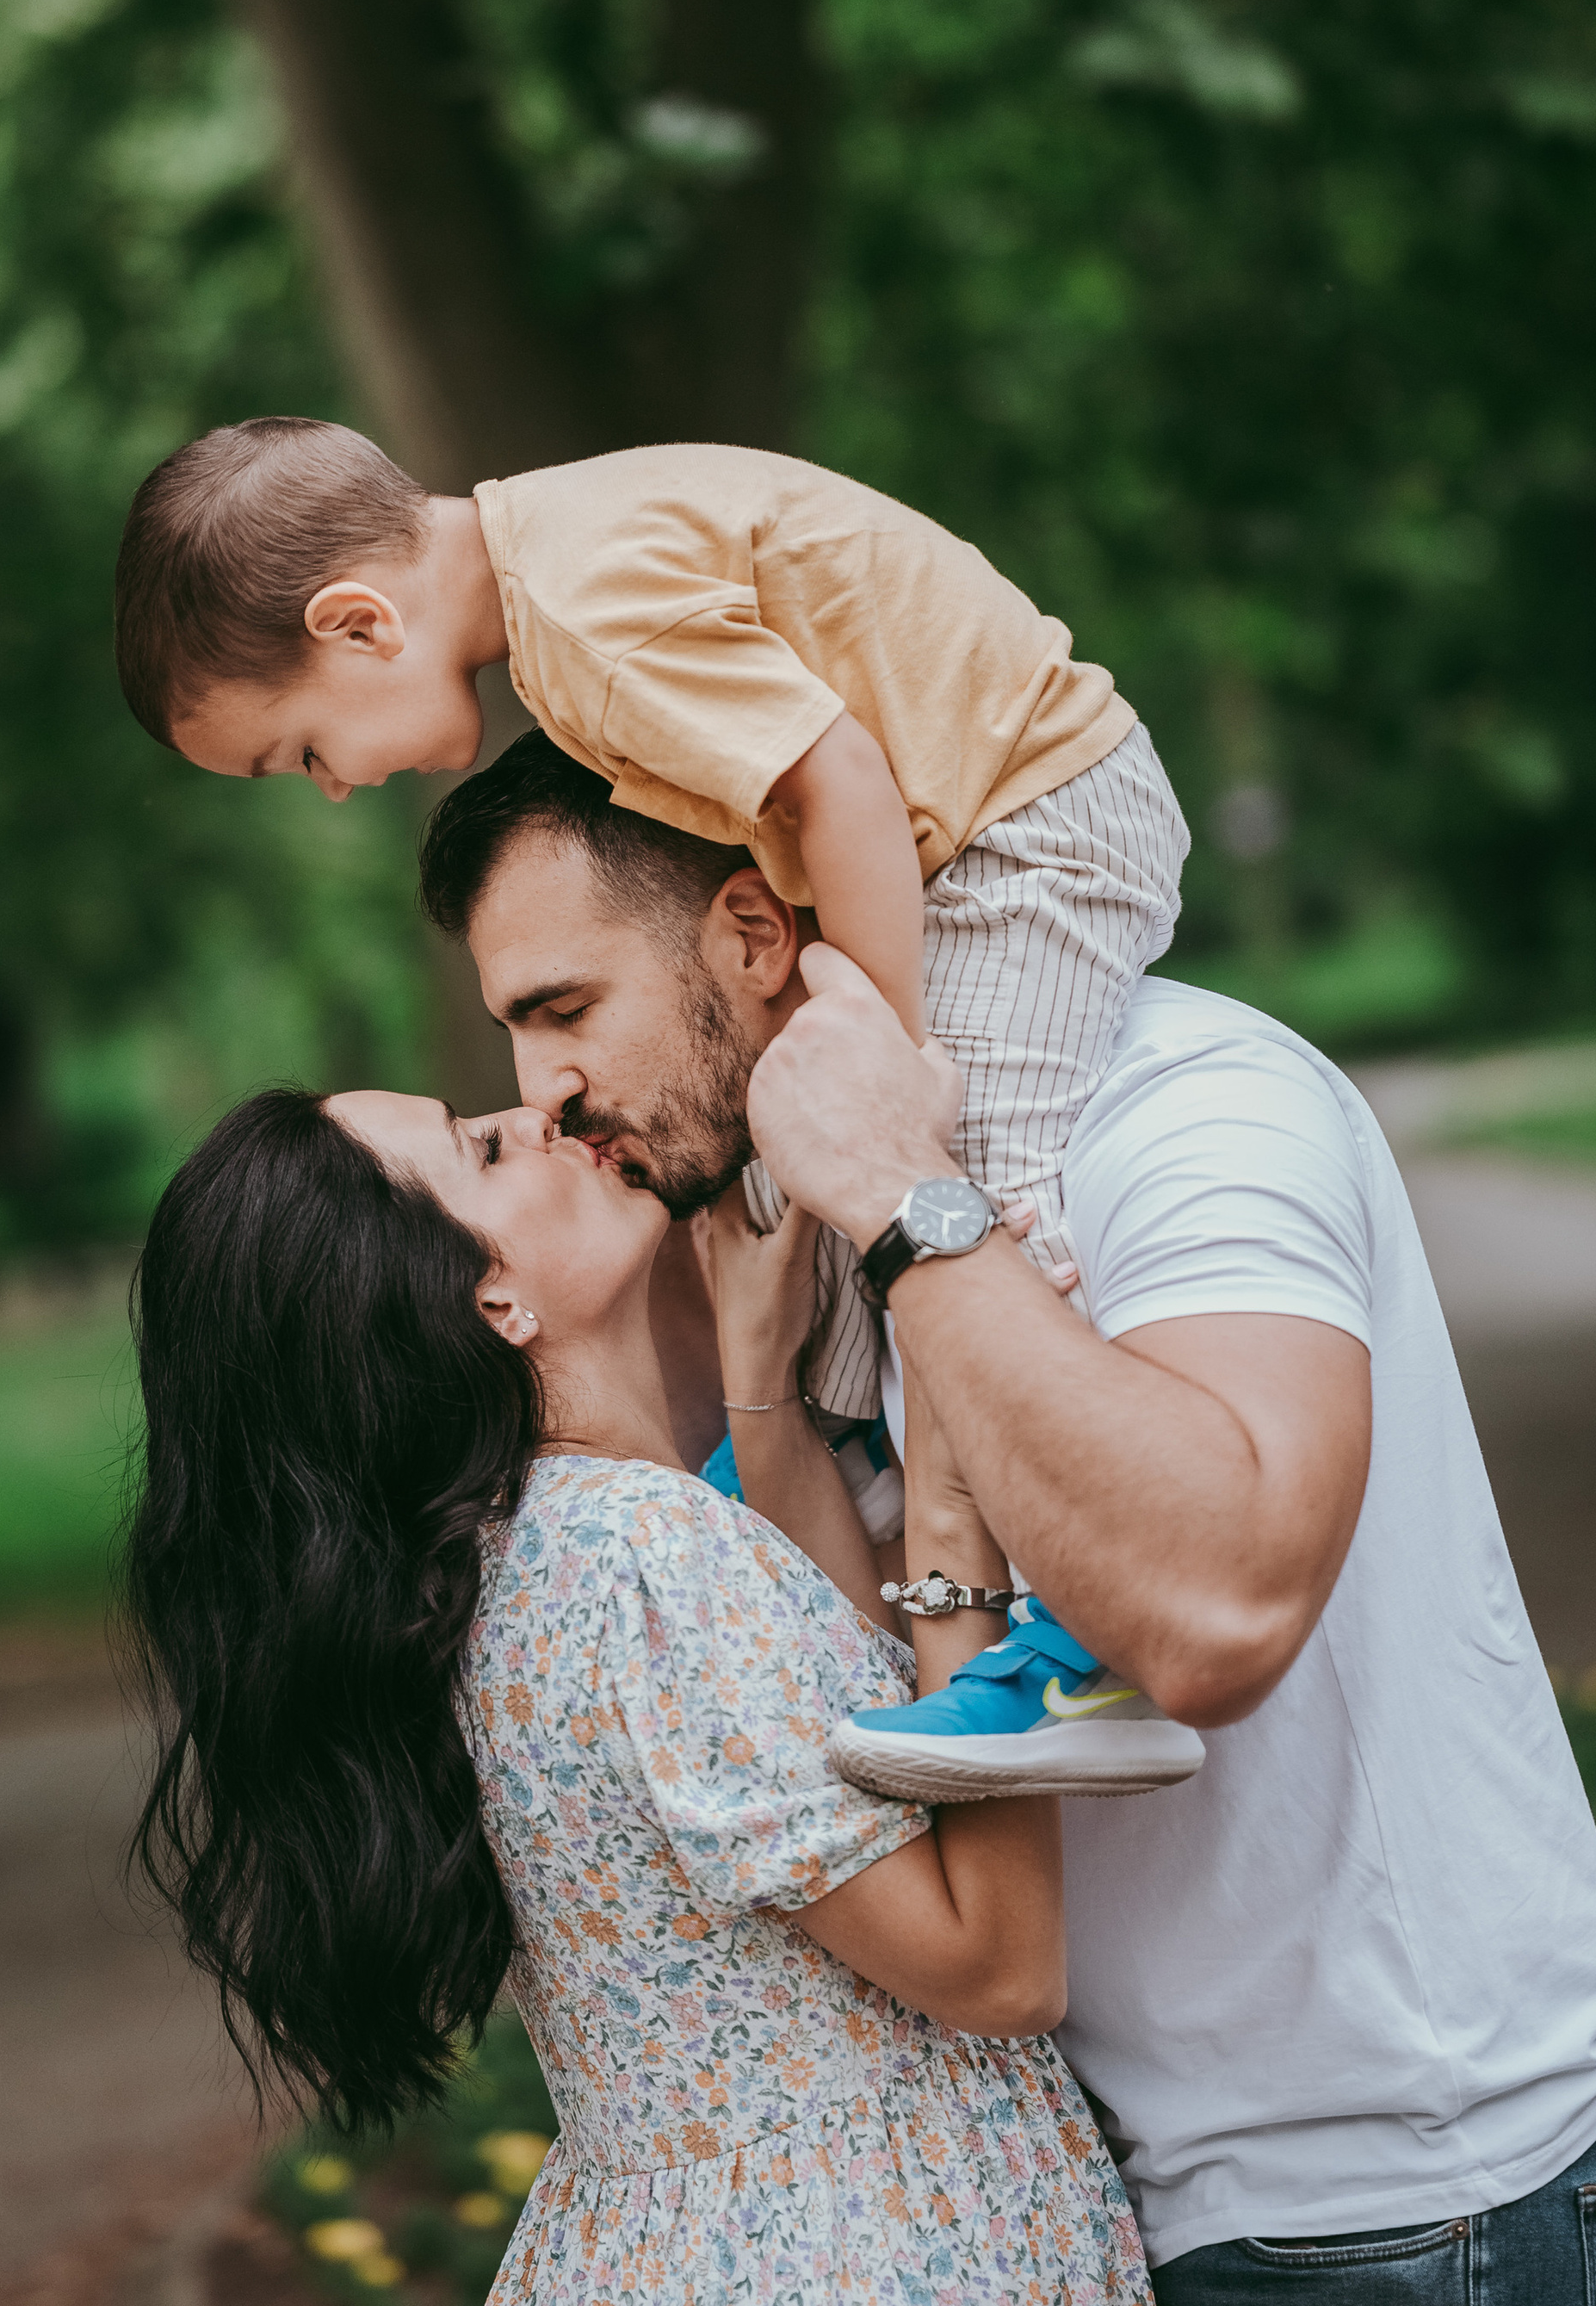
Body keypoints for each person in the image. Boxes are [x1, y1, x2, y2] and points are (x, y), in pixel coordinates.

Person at [416, 735, 1596, 2306]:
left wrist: (909, 1221)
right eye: (508, 1044)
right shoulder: (817, 1229)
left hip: (1376, 2186)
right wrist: (769, 1391)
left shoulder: (1186, 1108)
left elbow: (1213, 1617)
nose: (543, 1090)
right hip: (1113, 2192)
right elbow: (890, 1689)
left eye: (562, 1008)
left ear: (750, 933)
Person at [114, 413, 1201, 1795]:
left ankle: (1086, 1644)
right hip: (992, 814)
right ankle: (951, 1576)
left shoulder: (587, 629)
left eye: (303, 752)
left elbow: (843, 785)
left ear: (359, 625)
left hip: (1030, 830)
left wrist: (872, 1065)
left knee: (958, 1203)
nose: (335, 790)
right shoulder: (573, 573)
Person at [121, 1079, 1172, 2306]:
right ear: (489, 1299)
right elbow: (998, 1972)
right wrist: (961, 1512)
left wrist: (764, 1384)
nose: (540, 1108)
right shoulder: (643, 1565)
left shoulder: (499, 1573)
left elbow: (837, 1724)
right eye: (485, 1147)